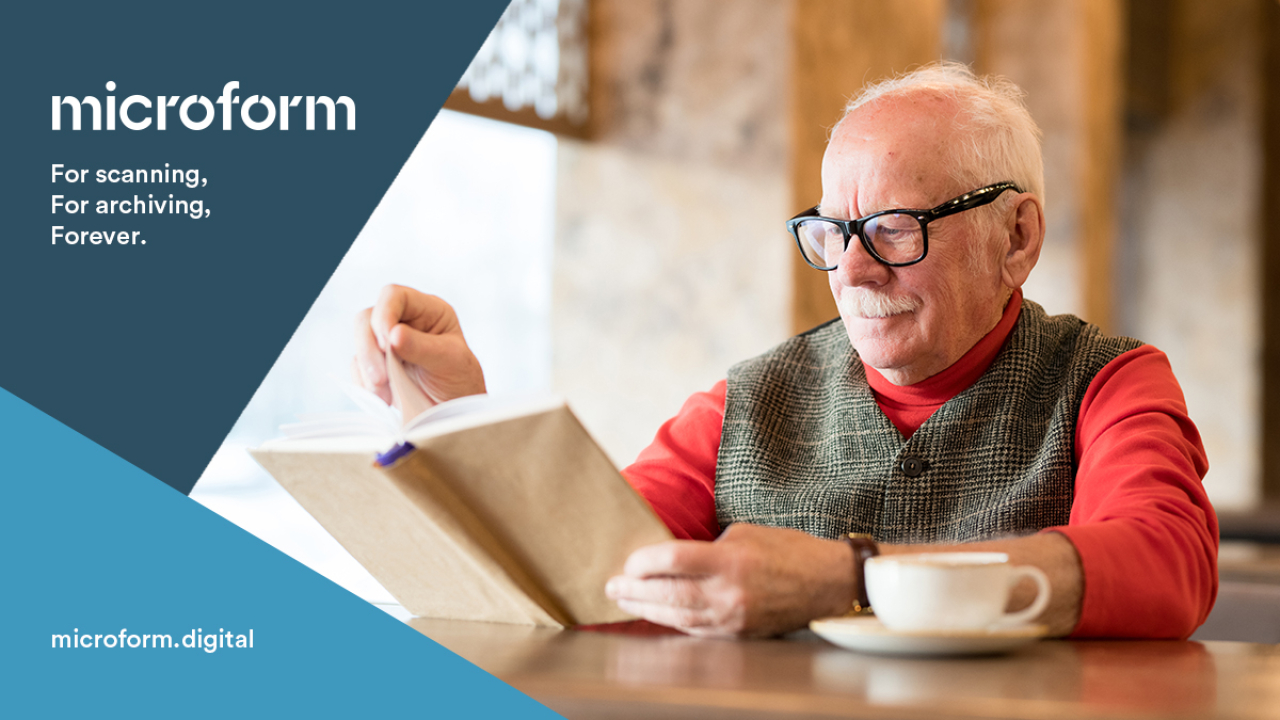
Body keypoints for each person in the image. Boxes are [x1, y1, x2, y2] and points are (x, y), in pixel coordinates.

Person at [353, 63, 1217, 640]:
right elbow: (590, 569)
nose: (851, 269)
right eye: (833, 232)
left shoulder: (1106, 381)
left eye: (892, 228)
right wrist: (460, 419)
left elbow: (1165, 564)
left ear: (1017, 235)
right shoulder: (747, 402)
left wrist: (855, 577)